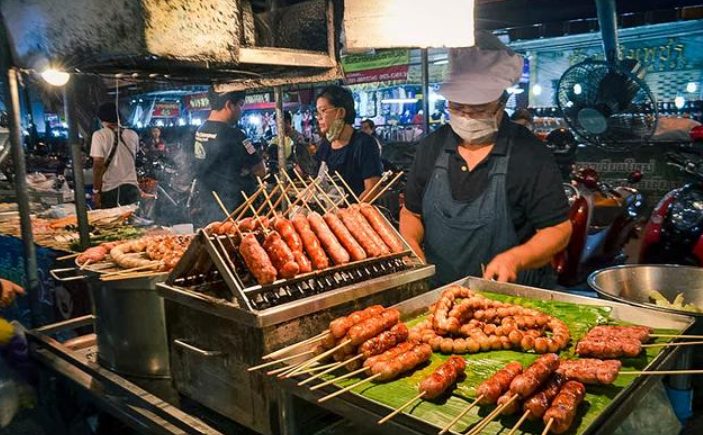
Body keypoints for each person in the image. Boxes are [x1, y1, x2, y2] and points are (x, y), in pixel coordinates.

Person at [400, 31, 572, 288]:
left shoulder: (529, 154)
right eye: (457, 107)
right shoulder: (432, 146)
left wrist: (516, 258)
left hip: (514, 299)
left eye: (479, 109)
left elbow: (558, 230)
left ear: (502, 102)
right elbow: (411, 212)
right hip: (440, 294)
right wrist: (411, 247)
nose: (467, 116)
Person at [192, 87, 266, 227]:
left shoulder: (199, 131)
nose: (241, 110)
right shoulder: (235, 135)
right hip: (235, 212)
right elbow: (261, 171)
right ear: (229, 105)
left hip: (208, 209)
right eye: (240, 105)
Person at [315, 86, 382, 199]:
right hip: (328, 213)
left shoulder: (364, 143)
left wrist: (352, 213)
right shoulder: (325, 145)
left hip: (356, 213)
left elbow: (372, 189)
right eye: (317, 112)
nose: (318, 117)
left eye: (323, 111)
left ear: (340, 112)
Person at [90, 102, 140, 209]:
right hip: (132, 188)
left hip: (111, 190)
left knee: (112, 224)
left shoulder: (99, 135)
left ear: (100, 119)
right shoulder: (133, 134)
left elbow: (98, 165)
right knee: (133, 223)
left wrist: (96, 191)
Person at [268, 111, 317, 177]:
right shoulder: (279, 139)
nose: (277, 127)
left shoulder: (297, 138)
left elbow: (302, 160)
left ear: (287, 122)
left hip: (297, 174)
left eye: (278, 124)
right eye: (276, 124)